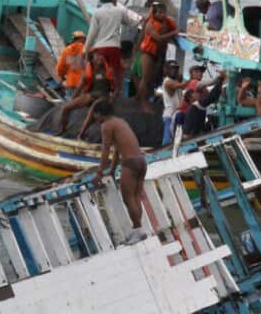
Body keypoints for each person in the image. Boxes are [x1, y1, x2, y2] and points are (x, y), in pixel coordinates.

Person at [90, 100, 150, 244]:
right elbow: (117, 149)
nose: (95, 119)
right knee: (135, 197)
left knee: (128, 198)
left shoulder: (106, 125)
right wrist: (111, 169)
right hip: (141, 161)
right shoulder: (120, 122)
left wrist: (99, 172)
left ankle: (138, 230)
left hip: (130, 163)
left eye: (95, 115)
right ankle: (138, 231)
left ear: (99, 114)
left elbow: (106, 149)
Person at [83, 0, 141, 94]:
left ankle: (98, 89)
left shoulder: (97, 13)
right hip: (114, 46)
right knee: (115, 70)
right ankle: (117, 91)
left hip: (100, 47)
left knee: (100, 69)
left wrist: (85, 49)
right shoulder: (119, 11)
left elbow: (92, 33)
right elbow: (132, 22)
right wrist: (141, 20)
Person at [58, 52, 113, 138]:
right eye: (98, 55)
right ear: (92, 58)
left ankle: (81, 134)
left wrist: (111, 99)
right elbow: (79, 87)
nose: (101, 57)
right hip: (90, 95)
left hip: (103, 95)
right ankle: (63, 129)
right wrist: (73, 100)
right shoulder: (87, 71)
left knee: (92, 110)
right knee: (66, 108)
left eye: (102, 55)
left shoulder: (108, 69)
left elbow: (117, 87)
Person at [136, 1, 177, 108]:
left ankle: (147, 98)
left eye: (164, 12)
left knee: (153, 78)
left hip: (160, 54)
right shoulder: (150, 24)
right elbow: (158, 38)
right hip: (148, 54)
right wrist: (174, 33)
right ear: (154, 14)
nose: (162, 15)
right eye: (159, 13)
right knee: (145, 78)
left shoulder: (167, 21)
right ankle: (143, 103)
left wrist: (175, 32)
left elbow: (175, 29)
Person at [159, 61, 184, 144]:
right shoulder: (167, 82)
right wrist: (192, 81)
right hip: (169, 116)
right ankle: (163, 156)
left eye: (176, 69)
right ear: (167, 70)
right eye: (172, 69)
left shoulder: (174, 80)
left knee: (174, 139)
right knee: (167, 141)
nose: (174, 71)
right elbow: (179, 85)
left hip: (175, 115)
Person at [55, 30, 87, 97]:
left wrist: (62, 76)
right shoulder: (87, 49)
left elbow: (60, 67)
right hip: (85, 82)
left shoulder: (66, 50)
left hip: (71, 82)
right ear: (82, 39)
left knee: (72, 103)